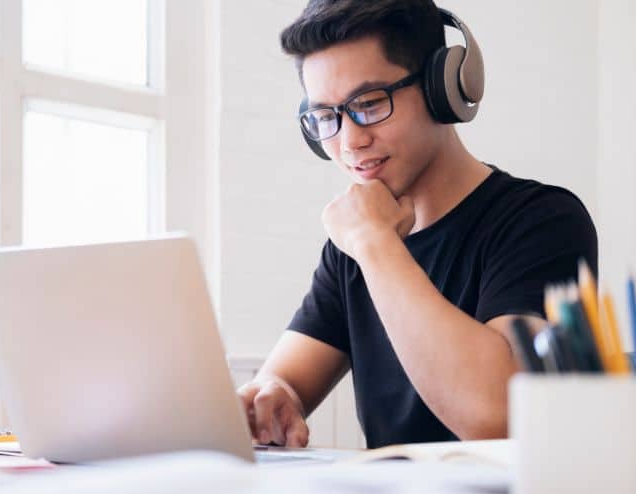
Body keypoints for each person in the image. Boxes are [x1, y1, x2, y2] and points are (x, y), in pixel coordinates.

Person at [236, 0, 597, 449]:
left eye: (369, 104)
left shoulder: (542, 220)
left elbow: (497, 418)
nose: (350, 141)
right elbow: (284, 382)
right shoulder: (353, 245)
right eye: (326, 117)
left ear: (443, 87)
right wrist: (272, 397)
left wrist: (374, 244)